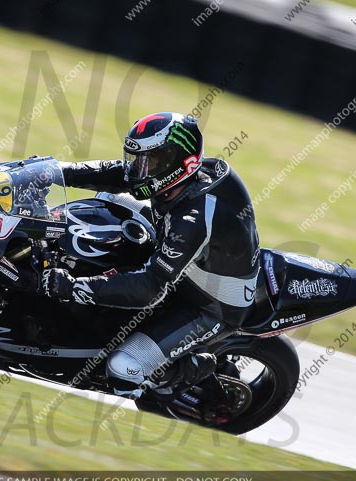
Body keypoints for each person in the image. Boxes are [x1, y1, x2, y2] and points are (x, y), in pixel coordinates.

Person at [41, 112, 260, 401]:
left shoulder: (193, 219)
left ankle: (198, 368)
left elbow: (149, 289)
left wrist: (74, 287)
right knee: (106, 200)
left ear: (177, 162)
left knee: (123, 367)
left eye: (151, 161)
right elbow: (113, 174)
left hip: (209, 305)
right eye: (138, 159)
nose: (139, 169)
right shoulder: (180, 178)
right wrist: (54, 172)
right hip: (191, 263)